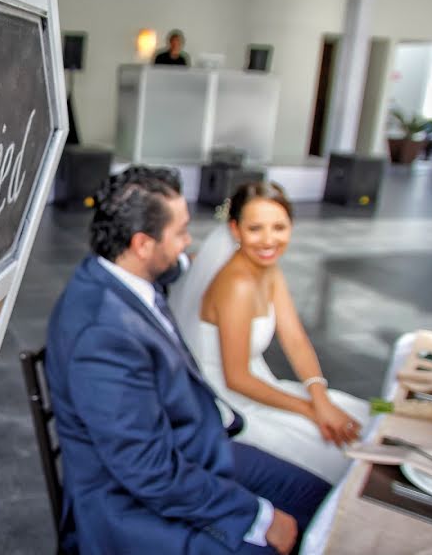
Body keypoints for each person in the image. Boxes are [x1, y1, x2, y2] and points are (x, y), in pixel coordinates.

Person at [45, 167, 330, 555]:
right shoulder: (102, 336)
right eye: (180, 232)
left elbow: (178, 265)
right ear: (144, 244)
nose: (188, 241)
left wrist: (194, 258)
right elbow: (148, 471)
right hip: (129, 503)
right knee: (277, 540)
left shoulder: (120, 268)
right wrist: (256, 517)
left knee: (320, 498)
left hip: (191, 443)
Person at [169, 182, 371, 484]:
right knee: (337, 450)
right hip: (227, 397)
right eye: (256, 229)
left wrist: (321, 399)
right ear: (235, 230)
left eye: (279, 227)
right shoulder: (237, 285)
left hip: (257, 381)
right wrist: (311, 411)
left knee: (360, 419)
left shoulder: (268, 270)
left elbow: (295, 339)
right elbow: (235, 378)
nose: (269, 240)